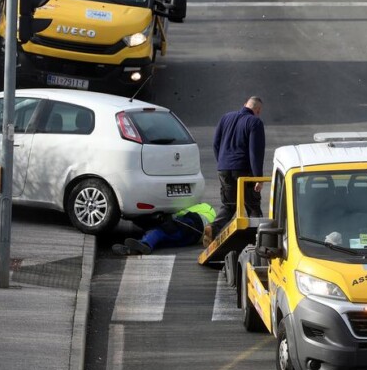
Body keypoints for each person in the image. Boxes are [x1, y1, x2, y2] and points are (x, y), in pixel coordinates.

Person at [208, 96, 266, 243]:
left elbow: (215, 143)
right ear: (257, 110)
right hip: (243, 171)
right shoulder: (255, 122)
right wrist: (258, 178)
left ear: (245, 104)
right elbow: (255, 152)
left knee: (229, 205)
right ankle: (259, 241)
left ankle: (213, 229)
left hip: (224, 168)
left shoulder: (226, 117)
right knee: (253, 206)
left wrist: (222, 163)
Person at [111, 201, 216, 256]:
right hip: (193, 239)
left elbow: (177, 214)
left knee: (161, 231)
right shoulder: (209, 210)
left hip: (194, 224)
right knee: (163, 239)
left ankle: (145, 243)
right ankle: (137, 249)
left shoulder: (198, 206)